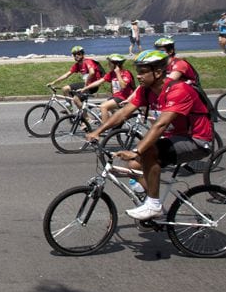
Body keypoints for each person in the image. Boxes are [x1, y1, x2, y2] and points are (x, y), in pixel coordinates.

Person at [85, 50, 214, 220]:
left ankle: (153, 205)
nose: (139, 76)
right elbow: (123, 113)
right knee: (133, 166)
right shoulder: (146, 91)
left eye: (143, 72)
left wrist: (137, 150)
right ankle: (156, 206)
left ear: (158, 72)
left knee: (148, 151)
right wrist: (97, 131)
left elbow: (160, 125)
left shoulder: (178, 90)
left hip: (197, 141)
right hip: (175, 138)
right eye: (138, 71)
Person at [79, 54, 135, 123]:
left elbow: (123, 86)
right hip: (116, 97)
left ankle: (104, 128)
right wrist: (85, 88)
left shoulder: (126, 73)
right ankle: (115, 126)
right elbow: (99, 82)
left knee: (103, 106)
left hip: (124, 97)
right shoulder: (111, 73)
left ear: (116, 64)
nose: (108, 64)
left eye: (110, 63)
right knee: (103, 107)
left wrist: (118, 74)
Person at [49, 46, 103, 110]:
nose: (76, 56)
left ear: (82, 54)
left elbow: (92, 72)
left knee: (76, 100)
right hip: (86, 84)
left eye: (78, 54)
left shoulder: (88, 62)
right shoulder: (77, 65)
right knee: (65, 89)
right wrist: (54, 82)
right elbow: (67, 75)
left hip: (92, 86)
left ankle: (88, 119)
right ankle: (69, 109)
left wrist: (85, 86)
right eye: (74, 54)